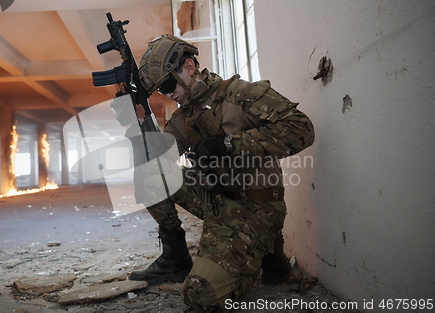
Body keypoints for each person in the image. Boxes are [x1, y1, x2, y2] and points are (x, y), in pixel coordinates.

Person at [129, 34, 315, 312]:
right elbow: (158, 160)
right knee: (150, 173)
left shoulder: (242, 94)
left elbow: (302, 129)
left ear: (189, 67)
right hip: (215, 201)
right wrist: (136, 120)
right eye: (159, 90)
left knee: (201, 296)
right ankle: (176, 257)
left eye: (167, 84)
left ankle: (267, 246)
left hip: (257, 205)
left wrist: (228, 144)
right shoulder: (183, 119)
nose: (167, 95)